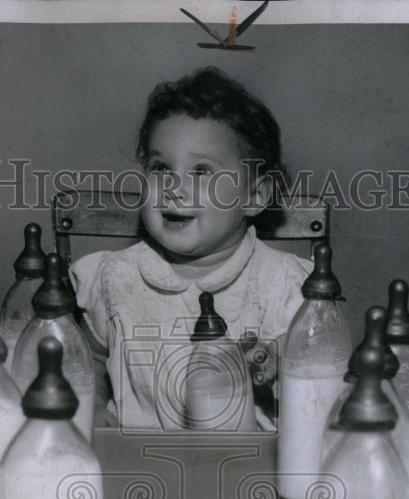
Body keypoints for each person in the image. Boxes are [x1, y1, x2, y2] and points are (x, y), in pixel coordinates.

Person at [71, 66, 310, 429]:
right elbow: (87, 366)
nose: (173, 187)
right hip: (137, 468)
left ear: (255, 196)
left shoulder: (286, 285)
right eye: (160, 167)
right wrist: (92, 424)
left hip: (245, 473)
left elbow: (323, 383)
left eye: (201, 171)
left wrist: (280, 363)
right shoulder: (113, 276)